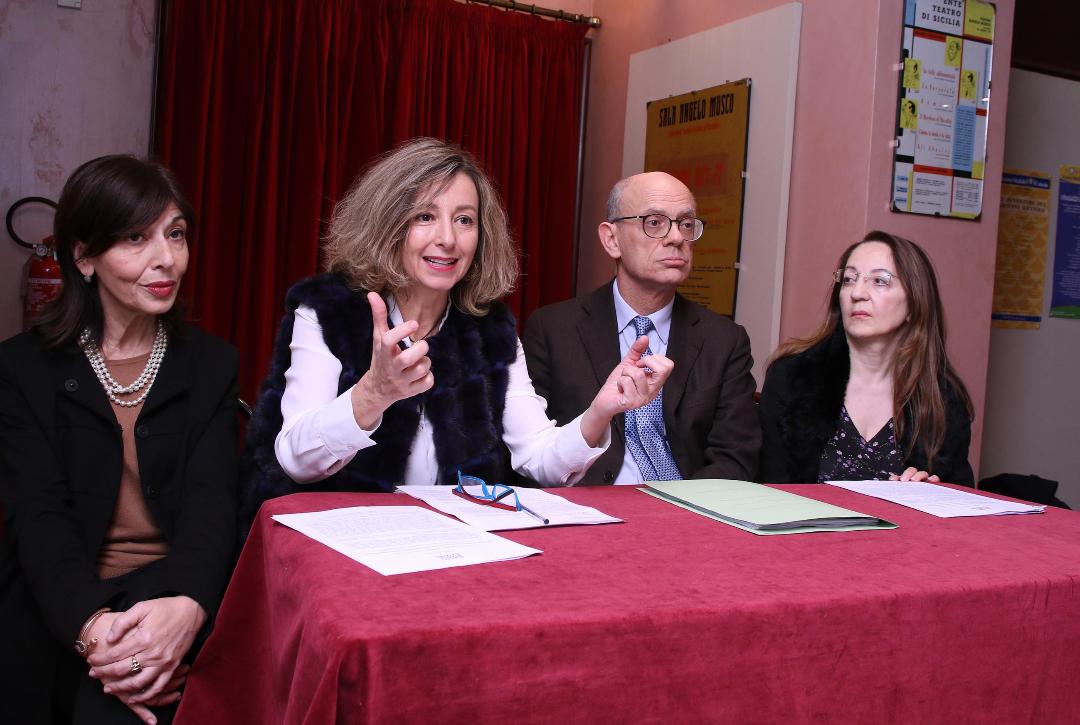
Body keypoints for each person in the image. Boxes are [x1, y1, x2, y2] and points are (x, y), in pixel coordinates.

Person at [243, 138, 671, 516]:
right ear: (388, 225)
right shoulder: (326, 310)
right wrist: (372, 393)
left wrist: (601, 411)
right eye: (425, 217)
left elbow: (538, 458)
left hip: (456, 549)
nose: (448, 238)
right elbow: (294, 458)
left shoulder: (491, 329)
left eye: (464, 220)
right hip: (340, 543)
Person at [0, 156, 239, 724]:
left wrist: (187, 608)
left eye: (175, 234)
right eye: (136, 238)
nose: (166, 259)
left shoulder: (210, 363)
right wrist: (96, 631)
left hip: (170, 594)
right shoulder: (21, 370)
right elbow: (38, 520)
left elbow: (213, 509)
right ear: (84, 257)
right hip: (60, 599)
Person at [522, 171, 760, 484]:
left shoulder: (724, 340)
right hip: (588, 507)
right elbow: (530, 454)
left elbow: (736, 457)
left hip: (687, 508)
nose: (676, 238)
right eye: (655, 222)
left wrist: (677, 511)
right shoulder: (553, 329)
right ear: (611, 239)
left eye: (686, 224)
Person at [757, 230, 974, 484]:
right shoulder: (792, 377)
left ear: (915, 304)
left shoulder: (942, 398)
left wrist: (933, 495)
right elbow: (768, 489)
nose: (857, 293)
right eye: (849, 279)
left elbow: (963, 502)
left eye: (880, 281)